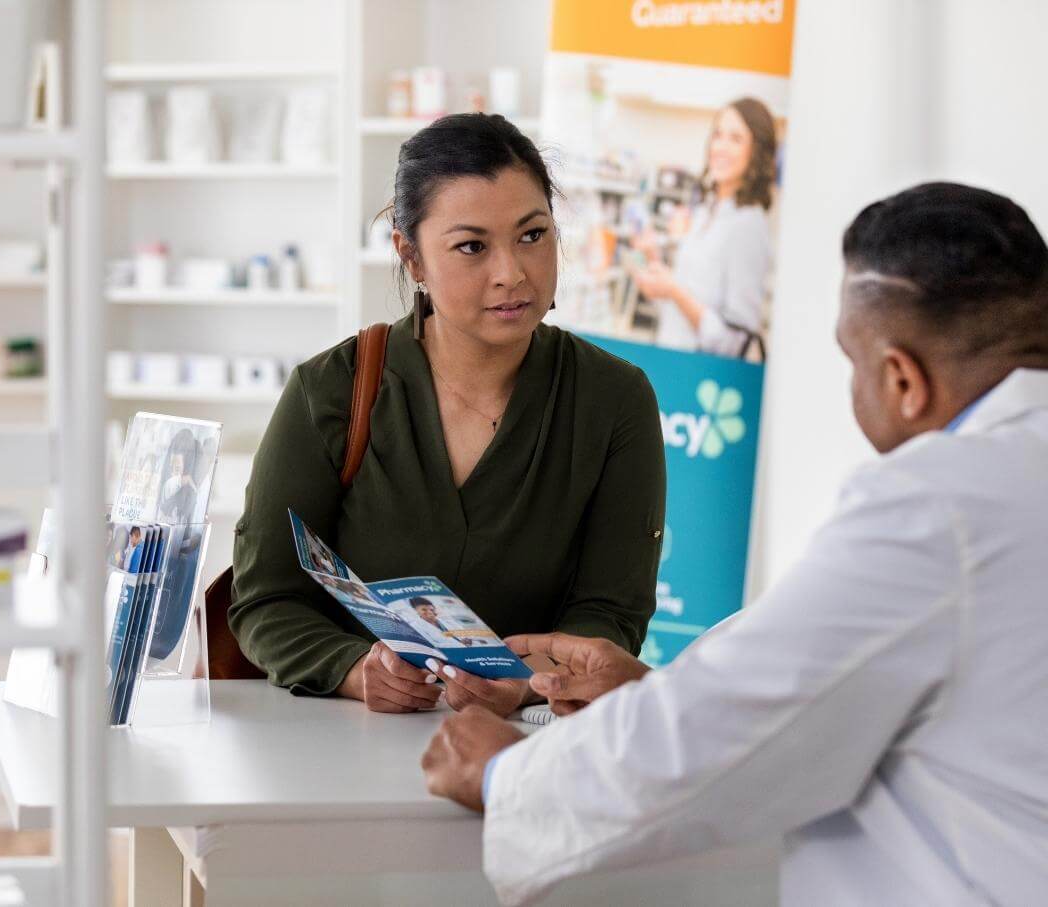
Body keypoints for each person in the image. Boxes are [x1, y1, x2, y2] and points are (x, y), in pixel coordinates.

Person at [421, 182, 1048, 905]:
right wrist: (662, 690)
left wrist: (507, 775)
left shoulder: (941, 502)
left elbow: (724, 732)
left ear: (902, 378)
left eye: (853, 361)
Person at [230, 113, 667, 717]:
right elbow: (267, 599)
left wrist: (527, 684)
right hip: (339, 747)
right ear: (412, 258)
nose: (511, 272)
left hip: (531, 748)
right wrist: (355, 670)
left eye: (533, 235)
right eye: (471, 246)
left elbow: (611, 609)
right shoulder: (331, 391)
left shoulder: (615, 399)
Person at [633, 97, 776, 358]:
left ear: (756, 151)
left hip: (703, 382)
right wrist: (654, 262)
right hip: (673, 360)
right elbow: (684, 305)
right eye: (718, 135)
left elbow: (736, 342)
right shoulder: (706, 211)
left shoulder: (748, 225)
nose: (720, 146)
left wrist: (673, 291)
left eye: (735, 139)